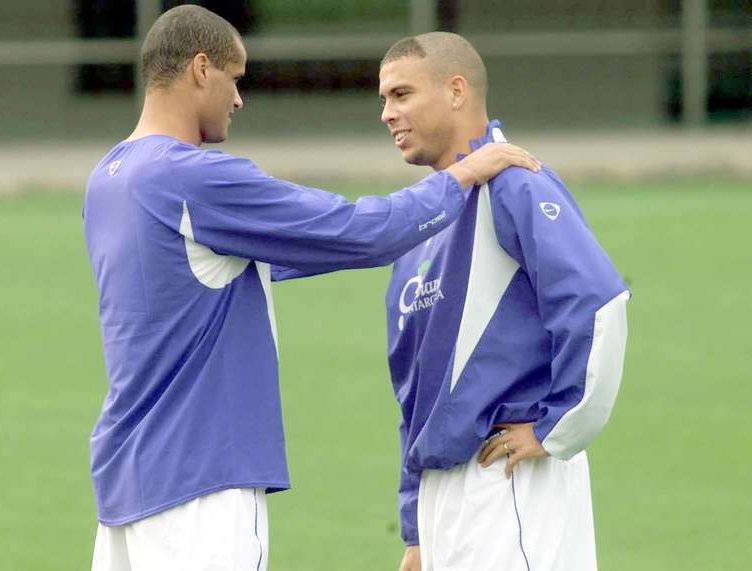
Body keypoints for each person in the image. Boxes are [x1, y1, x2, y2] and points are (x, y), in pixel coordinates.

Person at [82, 6, 540, 571]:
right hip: (199, 480)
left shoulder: (107, 179)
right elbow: (358, 232)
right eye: (235, 77)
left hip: (123, 488)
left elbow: (236, 267)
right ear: (201, 69)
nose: (239, 99)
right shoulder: (194, 176)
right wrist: (462, 175)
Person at [377, 32, 630, 571]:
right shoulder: (421, 219)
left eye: (400, 95)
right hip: (441, 499)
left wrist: (559, 426)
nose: (386, 114)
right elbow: (414, 392)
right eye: (383, 100)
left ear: (456, 91)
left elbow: (599, 303)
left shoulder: (516, 185)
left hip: (511, 479)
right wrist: (418, 530)